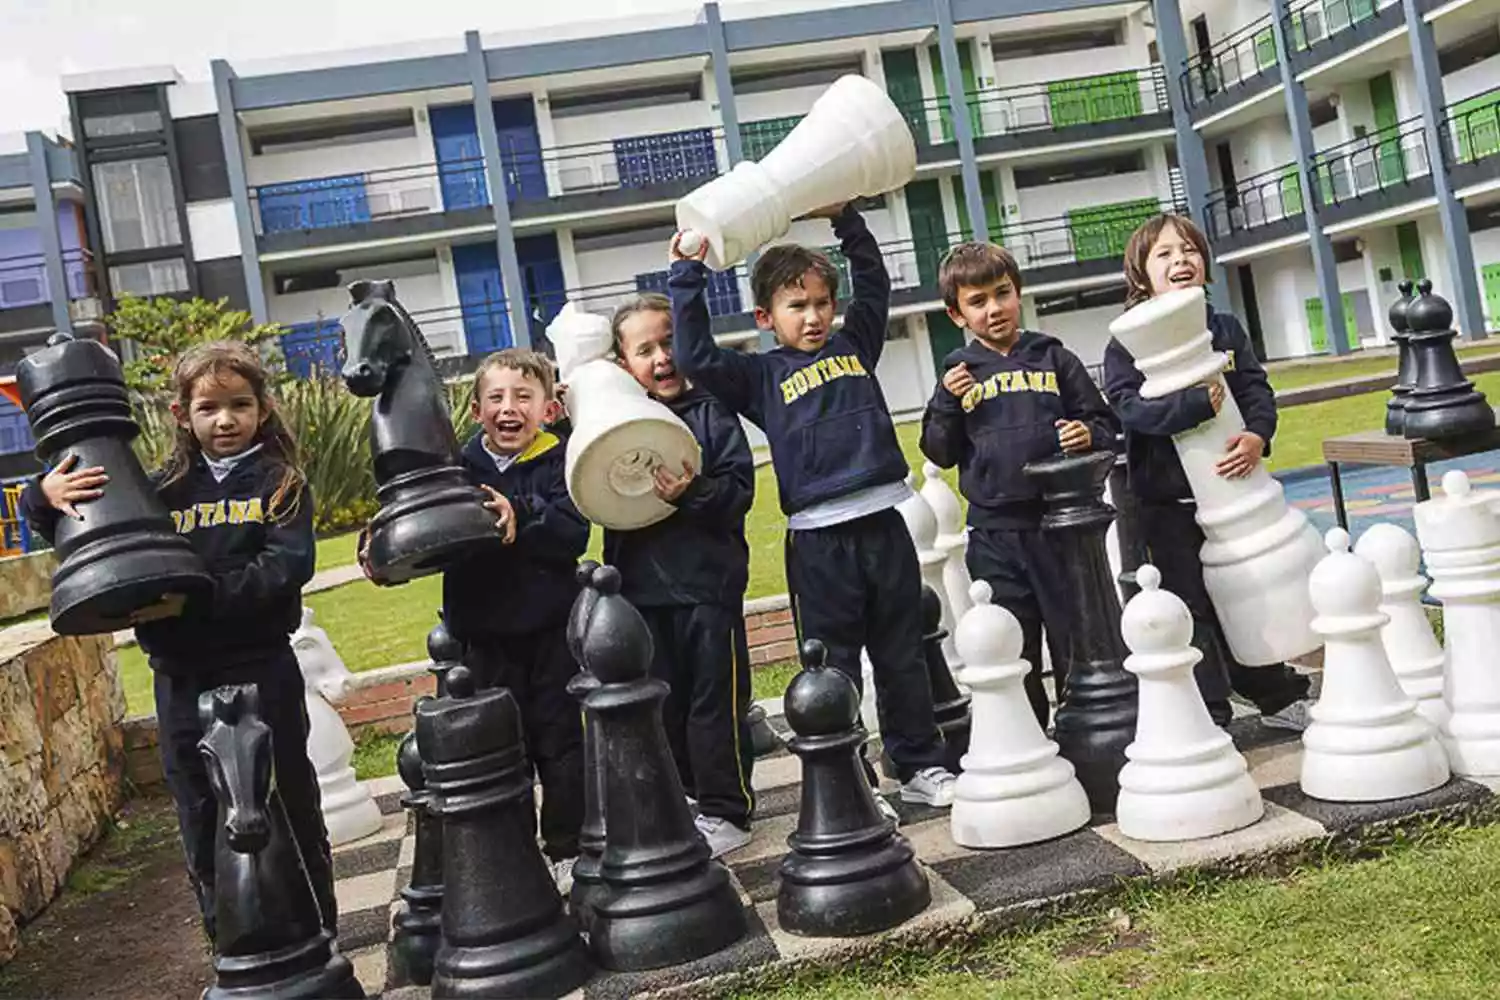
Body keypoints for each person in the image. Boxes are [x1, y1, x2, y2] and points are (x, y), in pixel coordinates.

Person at [21, 340, 334, 943]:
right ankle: (231, 948)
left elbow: (284, 569)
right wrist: (43, 497)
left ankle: (319, 938)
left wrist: (196, 596)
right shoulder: (159, 489)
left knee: (287, 808)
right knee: (202, 816)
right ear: (180, 414)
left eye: (240, 404)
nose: (225, 420)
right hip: (182, 680)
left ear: (263, 409)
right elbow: (83, 521)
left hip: (260, 672)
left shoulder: (281, 484)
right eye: (209, 407)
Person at [668, 203, 956, 812]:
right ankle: (852, 785)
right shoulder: (756, 377)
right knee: (835, 667)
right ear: (765, 317)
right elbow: (694, 356)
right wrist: (685, 274)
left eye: (822, 302)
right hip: (818, 540)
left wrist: (846, 219)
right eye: (797, 307)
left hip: (884, 521)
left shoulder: (857, 343)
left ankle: (918, 764)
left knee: (904, 653)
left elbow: (874, 283)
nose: (814, 317)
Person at [360, 348, 588, 879]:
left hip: (550, 635)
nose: (510, 408)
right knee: (497, 752)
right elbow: (418, 520)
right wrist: (381, 542)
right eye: (496, 397)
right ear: (474, 409)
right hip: (481, 638)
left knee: (561, 748)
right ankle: (509, 856)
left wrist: (520, 517)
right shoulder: (456, 467)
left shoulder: (564, 461)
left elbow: (572, 531)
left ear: (549, 409)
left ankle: (566, 850)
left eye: (524, 397)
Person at [1103, 212, 1314, 731]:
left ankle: (1275, 692)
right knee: (1191, 606)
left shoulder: (1224, 328)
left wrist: (1257, 434)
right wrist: (1194, 405)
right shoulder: (1125, 343)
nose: (1181, 261)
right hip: (1168, 503)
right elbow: (1131, 411)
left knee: (1249, 594)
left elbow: (1254, 390)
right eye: (1165, 254)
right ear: (1140, 274)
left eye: (1189, 250)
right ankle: (1212, 714)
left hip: (1234, 492)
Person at [920, 242, 1119, 727]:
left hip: (1059, 528)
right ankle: (1029, 736)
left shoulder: (1054, 357)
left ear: (1018, 293)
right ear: (957, 314)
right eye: (978, 301)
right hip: (994, 535)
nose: (994, 309)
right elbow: (938, 450)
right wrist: (948, 402)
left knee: (1074, 637)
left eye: (1002, 293)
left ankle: (1084, 729)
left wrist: (1086, 433)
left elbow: (1104, 423)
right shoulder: (957, 373)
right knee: (1013, 644)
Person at [604, 293, 756, 858]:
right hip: (641, 593)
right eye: (645, 350)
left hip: (709, 588)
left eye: (669, 342)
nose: (662, 357)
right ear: (624, 365)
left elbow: (740, 492)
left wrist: (695, 492)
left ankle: (728, 809)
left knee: (715, 704)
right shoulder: (608, 426)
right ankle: (689, 801)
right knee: (663, 706)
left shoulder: (713, 410)